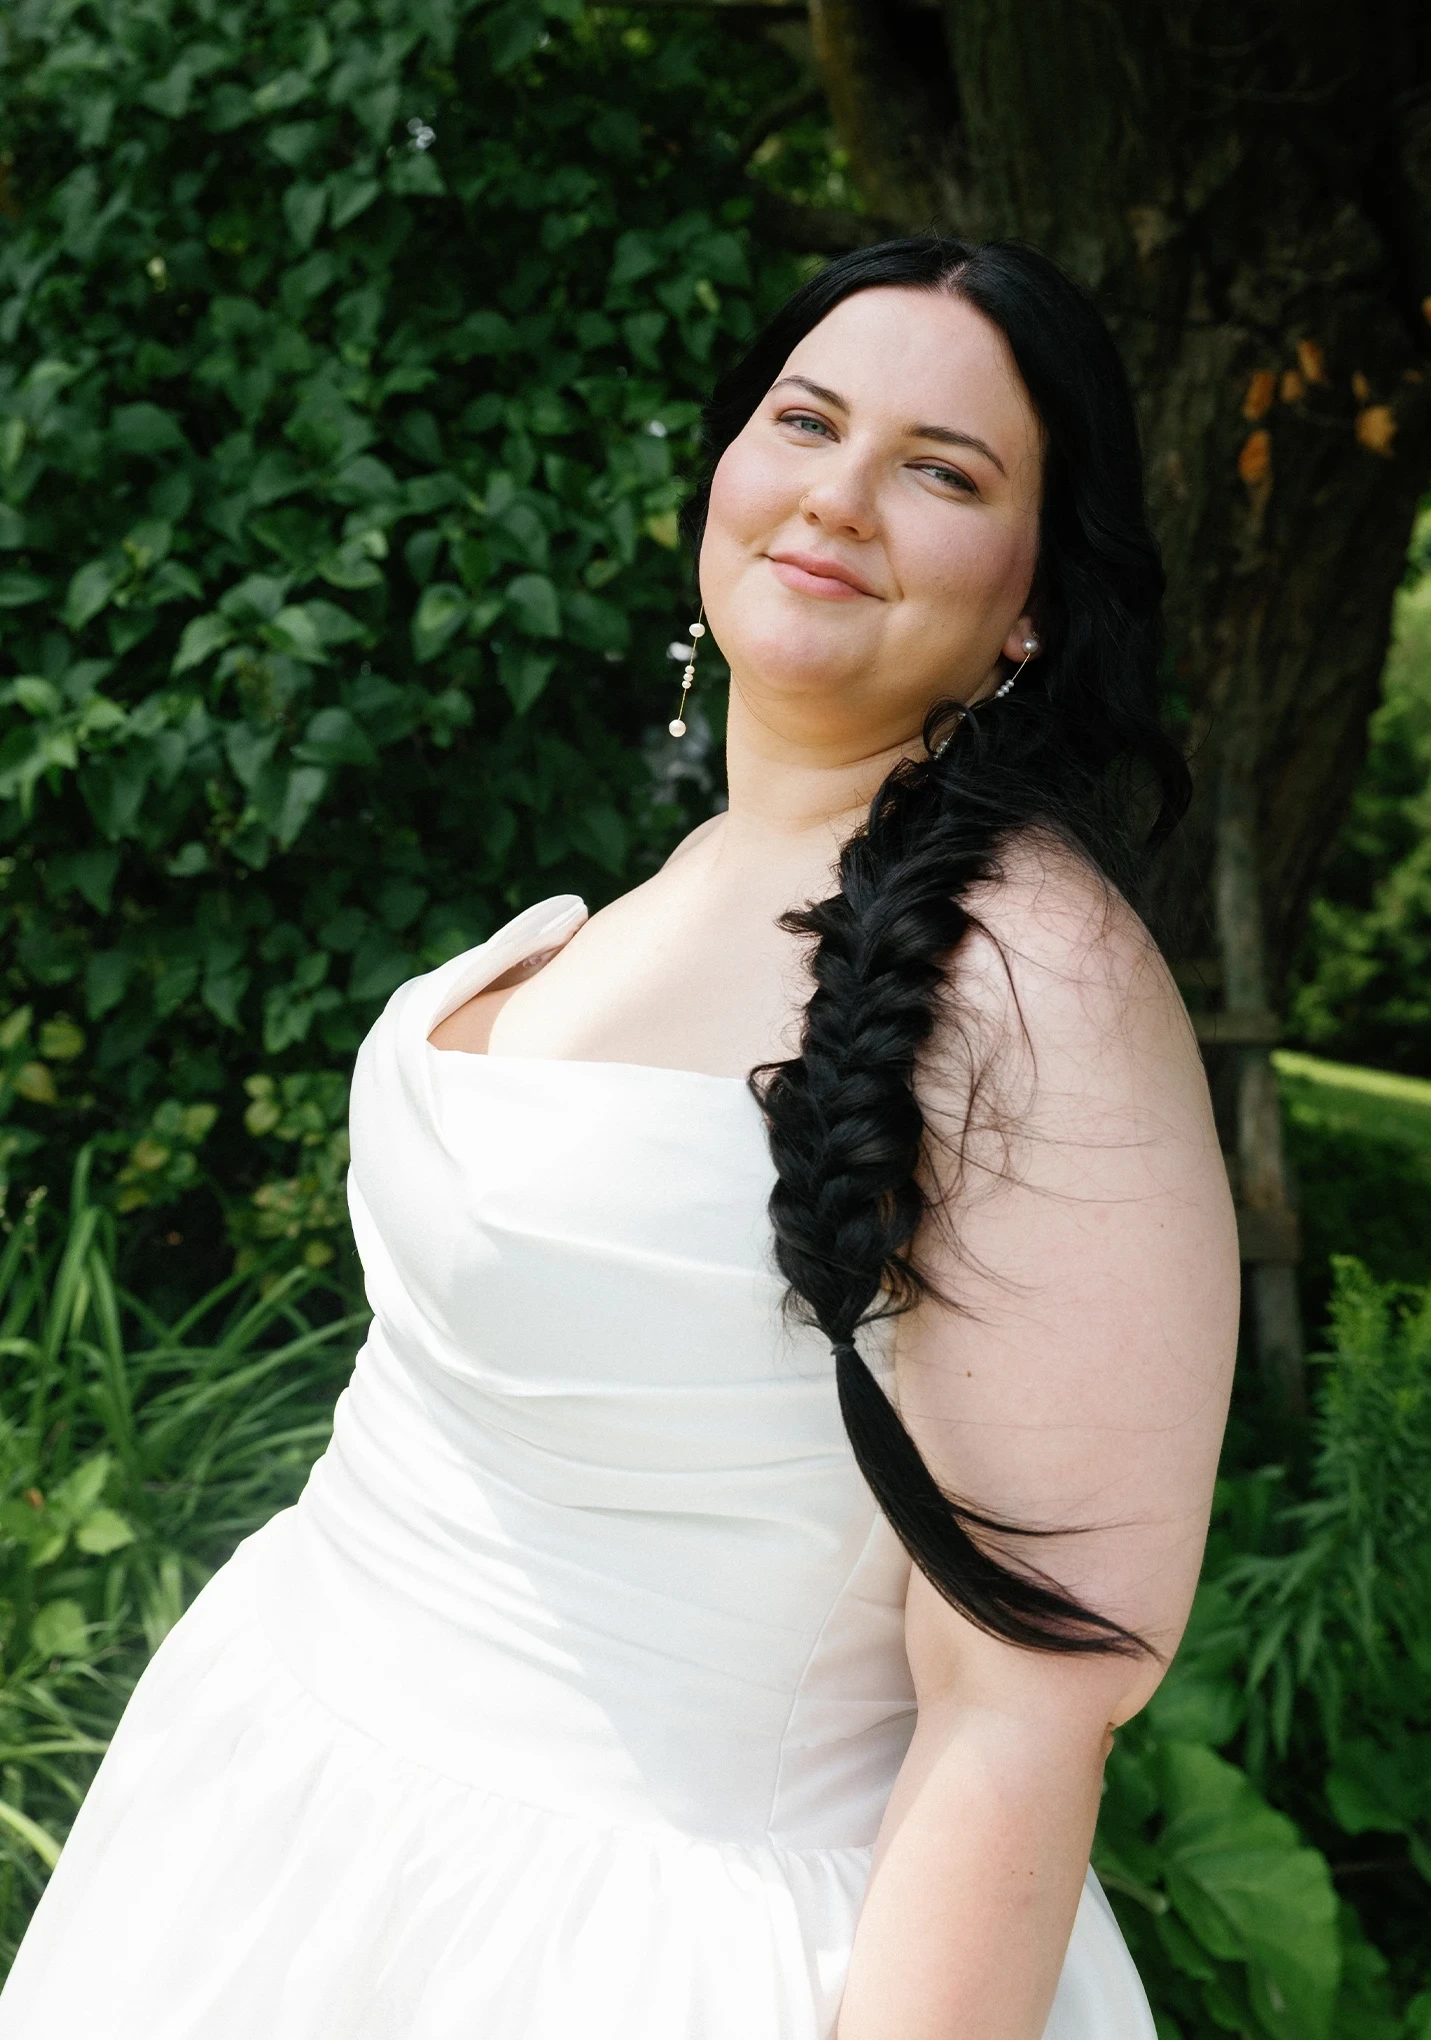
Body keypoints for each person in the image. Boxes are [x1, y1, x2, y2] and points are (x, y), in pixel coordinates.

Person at [0, 237, 1237, 2039]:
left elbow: (1025, 1705)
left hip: (623, 1945)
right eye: (804, 421)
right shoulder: (736, 855)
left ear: (1036, 602)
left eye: (943, 470)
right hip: (288, 1810)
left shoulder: (1036, 983)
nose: (838, 493)